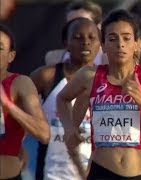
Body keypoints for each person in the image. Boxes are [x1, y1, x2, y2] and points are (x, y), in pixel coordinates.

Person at [57, 9, 141, 179]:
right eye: (112, 39)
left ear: (137, 43)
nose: (120, 44)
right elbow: (62, 98)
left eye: (126, 38)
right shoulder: (89, 76)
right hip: (102, 171)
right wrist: (69, 128)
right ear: (103, 45)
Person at [30, 18, 101, 179]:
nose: (85, 42)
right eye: (78, 37)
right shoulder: (46, 76)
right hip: (51, 173)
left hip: (95, 172)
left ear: (100, 43)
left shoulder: (108, 80)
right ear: (65, 42)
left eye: (92, 38)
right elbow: (15, 111)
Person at [0, 23, 50, 179]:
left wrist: (8, 105)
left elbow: (44, 134)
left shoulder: (19, 83)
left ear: (11, 56)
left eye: (0, 48)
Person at [45, 0, 107, 66]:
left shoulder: (110, 60)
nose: (77, 29)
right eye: (71, 24)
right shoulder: (55, 59)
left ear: (98, 27)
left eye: (83, 22)